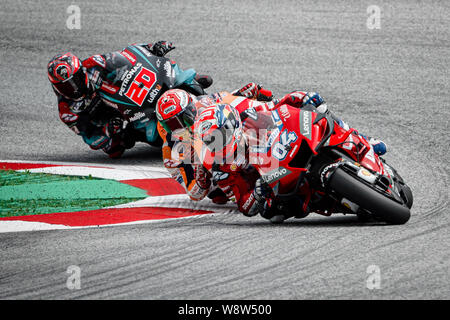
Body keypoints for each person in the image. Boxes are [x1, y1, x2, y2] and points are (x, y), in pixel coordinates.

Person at [192, 89, 388, 219]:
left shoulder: (250, 117)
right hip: (275, 183)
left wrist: (298, 97)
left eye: (219, 135)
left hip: (287, 147)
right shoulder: (222, 169)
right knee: (273, 215)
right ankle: (340, 200)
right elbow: (244, 204)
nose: (217, 143)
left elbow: (278, 105)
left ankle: (361, 139)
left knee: (314, 107)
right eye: (211, 140)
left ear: (231, 124)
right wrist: (257, 194)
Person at [47, 41, 212, 158]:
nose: (73, 88)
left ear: (79, 70)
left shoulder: (93, 64)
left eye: (74, 80)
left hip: (127, 96)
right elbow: (90, 137)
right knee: (115, 148)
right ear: (56, 86)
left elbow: (126, 56)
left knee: (173, 73)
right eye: (66, 86)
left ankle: (190, 82)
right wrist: (107, 131)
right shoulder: (67, 110)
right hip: (115, 121)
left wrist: (152, 49)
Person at [155, 84, 273, 203]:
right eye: (170, 125)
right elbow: (194, 194)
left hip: (234, 142)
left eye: (179, 121)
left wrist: (247, 94)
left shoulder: (204, 102)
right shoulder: (171, 153)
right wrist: (200, 177)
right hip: (215, 170)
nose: (177, 128)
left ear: (190, 110)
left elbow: (228, 99)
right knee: (216, 195)